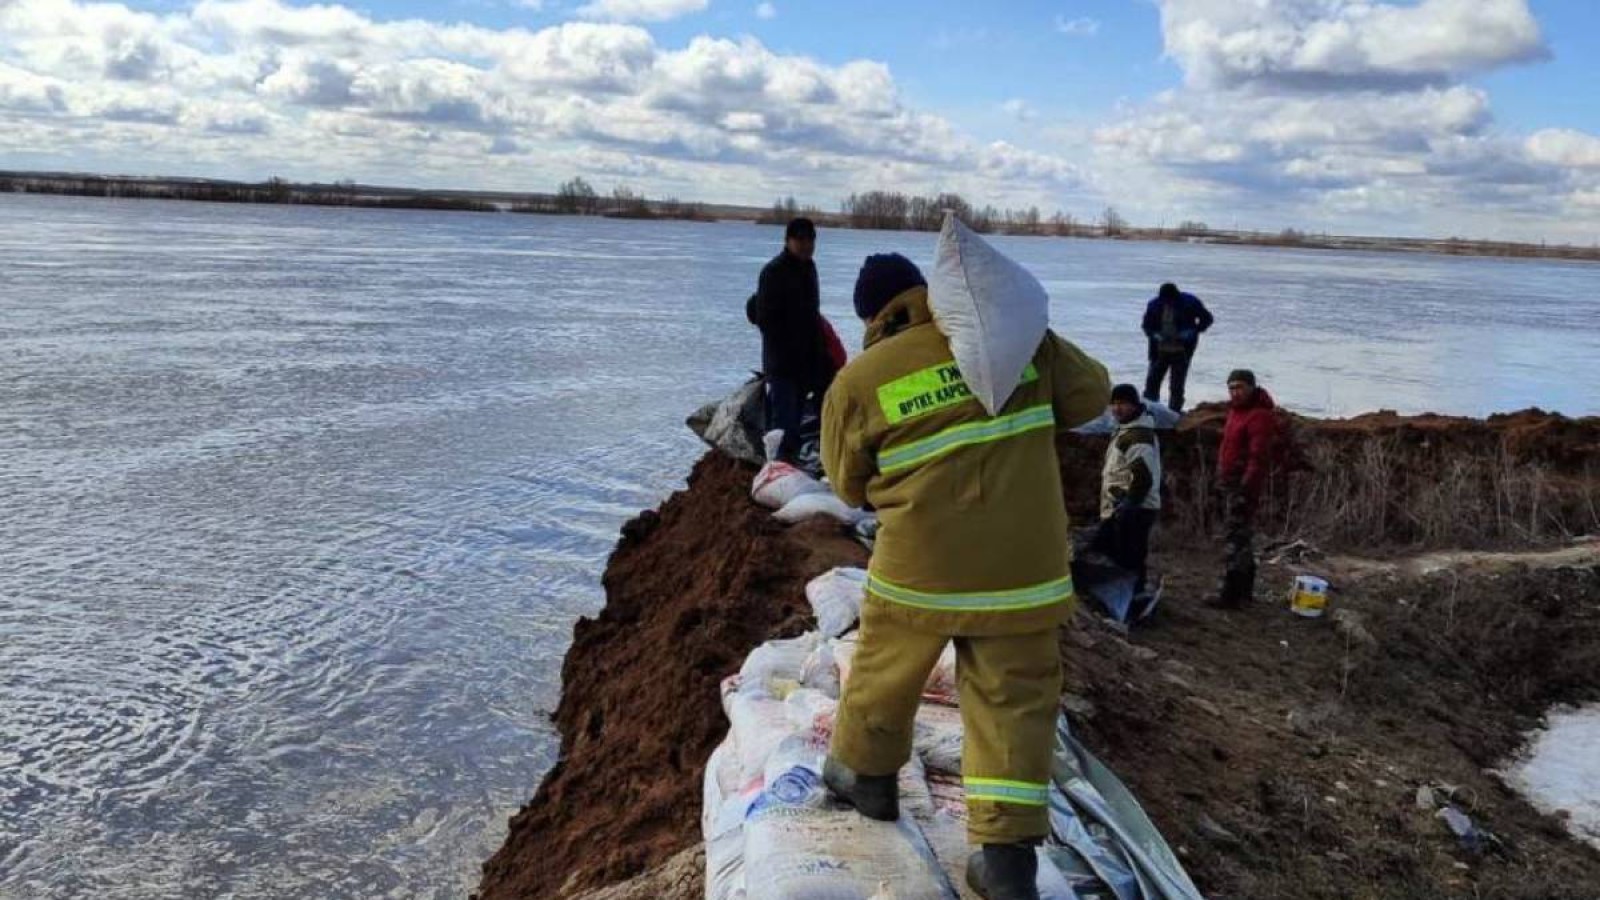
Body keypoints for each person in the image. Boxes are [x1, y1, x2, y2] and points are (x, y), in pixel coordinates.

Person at [819, 253, 1109, 900]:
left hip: (920, 567)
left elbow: (847, 486)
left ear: (872, 317)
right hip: (1024, 571)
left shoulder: (860, 379)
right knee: (1014, 700)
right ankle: (1005, 860)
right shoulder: (1014, 341)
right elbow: (1092, 395)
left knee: (885, 666)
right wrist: (1036, 338)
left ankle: (865, 776)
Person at [745, 217, 835, 461]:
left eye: (810, 239)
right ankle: (780, 468)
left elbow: (812, 315)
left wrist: (820, 354)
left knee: (808, 417)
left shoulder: (810, 268)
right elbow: (766, 321)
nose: (806, 245)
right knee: (784, 427)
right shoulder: (773, 272)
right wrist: (790, 350)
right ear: (788, 241)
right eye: (800, 240)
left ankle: (803, 463)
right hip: (783, 365)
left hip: (809, 361)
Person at [1087, 384, 1161, 605]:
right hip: (1123, 505)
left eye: (1123, 404)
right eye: (1114, 404)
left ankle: (1133, 599)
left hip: (1135, 508)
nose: (1117, 409)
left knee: (1130, 556)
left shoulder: (1137, 436)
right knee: (1119, 554)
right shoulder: (1126, 430)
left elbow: (1143, 478)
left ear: (1134, 405)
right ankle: (1121, 596)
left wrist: (1128, 506)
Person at [1213, 369, 1277, 608]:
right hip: (1229, 480)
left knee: (1235, 540)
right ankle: (1243, 594)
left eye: (1239, 387)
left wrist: (1245, 488)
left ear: (1251, 387)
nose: (1235, 392)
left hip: (1243, 486)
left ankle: (1229, 595)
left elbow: (1258, 457)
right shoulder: (1235, 411)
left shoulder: (1259, 415)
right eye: (1231, 388)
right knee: (1241, 539)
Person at [1140, 282, 1213, 412]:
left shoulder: (1190, 302)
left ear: (1177, 296)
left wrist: (1193, 331)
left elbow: (1207, 319)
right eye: (1165, 301)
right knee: (1152, 383)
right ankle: (1150, 411)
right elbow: (1146, 326)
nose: (1168, 303)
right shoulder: (1154, 305)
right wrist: (1154, 335)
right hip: (1159, 351)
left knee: (1177, 385)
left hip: (1182, 350)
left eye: (1170, 301)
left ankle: (1174, 413)